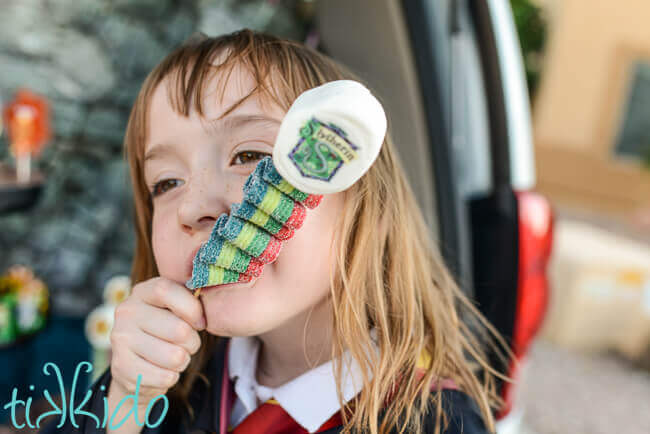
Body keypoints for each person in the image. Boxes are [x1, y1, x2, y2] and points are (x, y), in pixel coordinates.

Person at [42, 29, 508, 434]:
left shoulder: (438, 422)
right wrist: (125, 404)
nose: (195, 206)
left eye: (249, 156)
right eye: (166, 183)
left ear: (366, 205)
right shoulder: (174, 384)